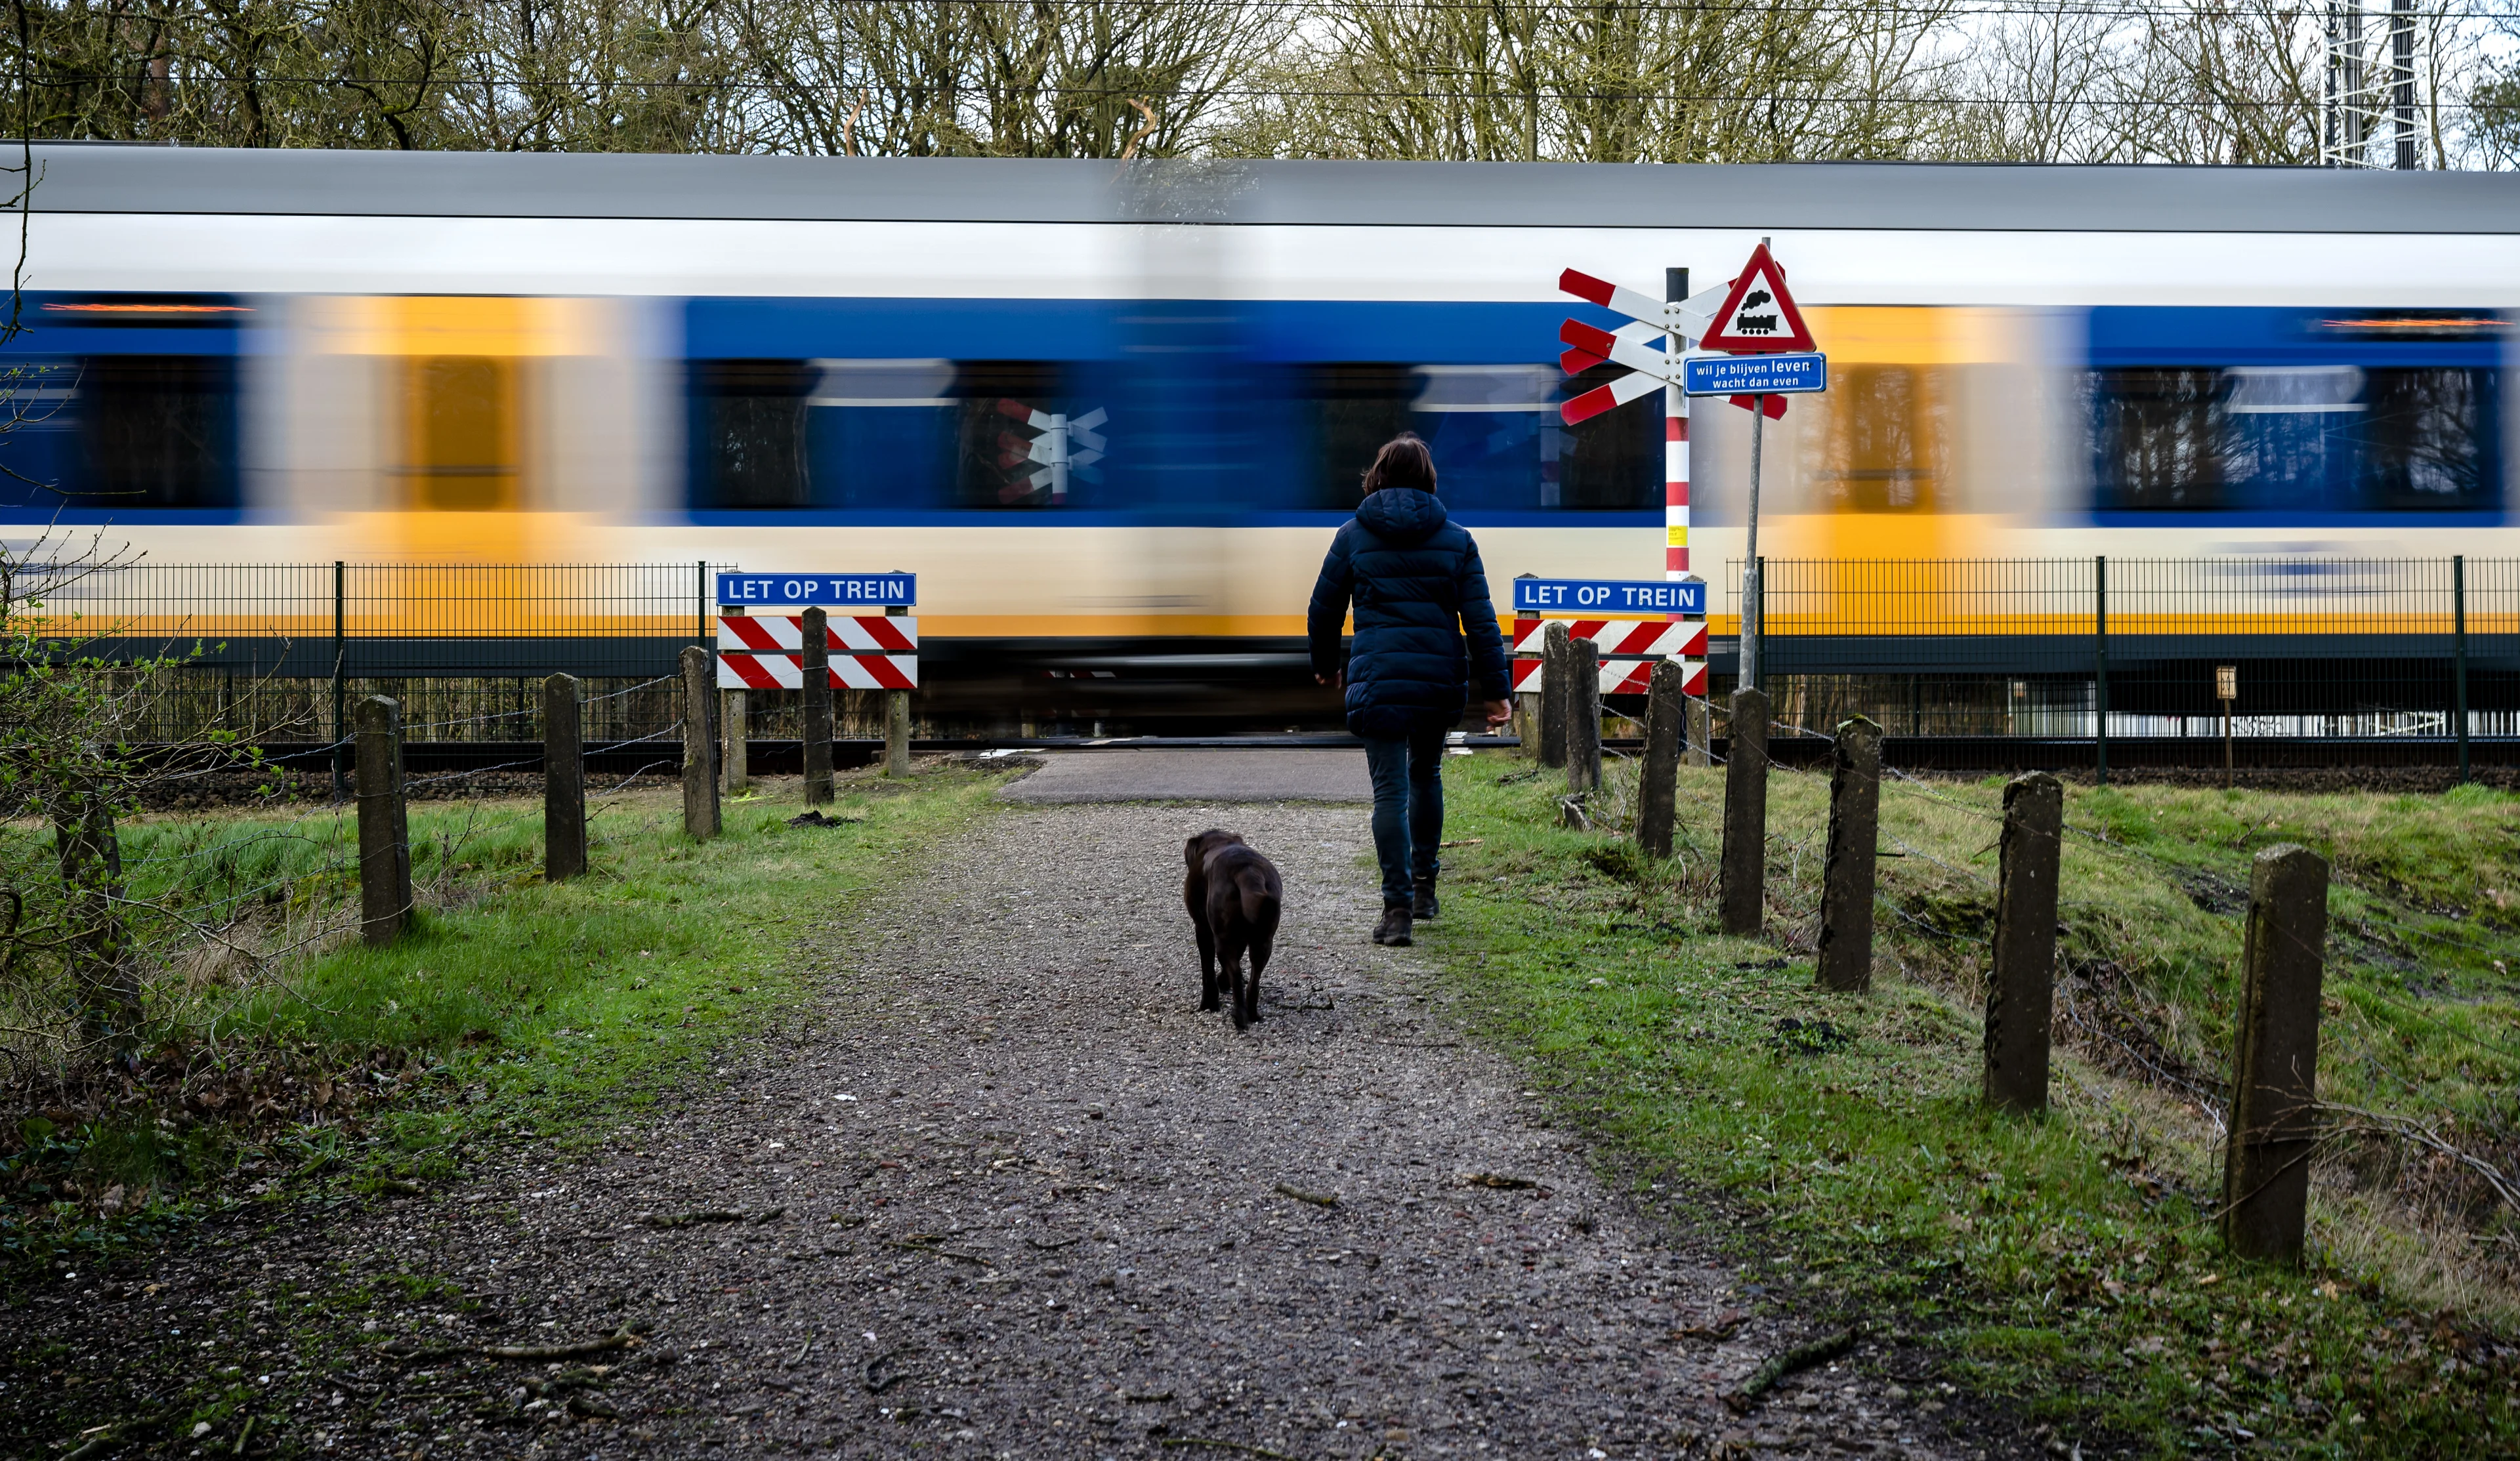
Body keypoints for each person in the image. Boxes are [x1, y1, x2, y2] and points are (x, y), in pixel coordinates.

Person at [1306, 434, 1512, 947]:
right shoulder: (1458, 540)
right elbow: (1482, 623)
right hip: (1435, 679)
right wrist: (1496, 691)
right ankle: (1424, 890)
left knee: (1390, 793)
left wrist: (1326, 665)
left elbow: (1322, 609)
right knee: (1427, 776)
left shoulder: (1352, 535)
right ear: (1429, 480)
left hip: (1378, 679)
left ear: (1376, 477)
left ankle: (1396, 910)